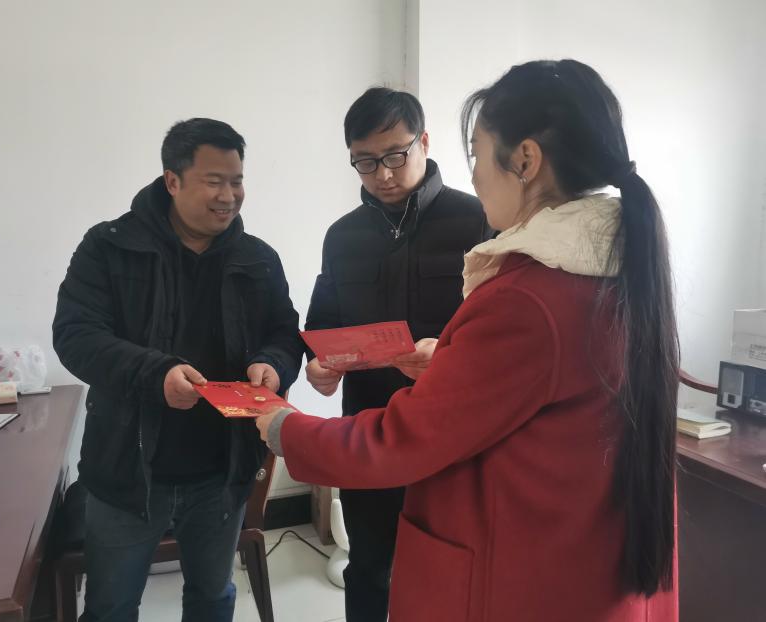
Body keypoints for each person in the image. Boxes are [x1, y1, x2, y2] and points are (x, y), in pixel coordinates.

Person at [258, 60, 679, 621]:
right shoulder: (617, 268)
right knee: (369, 567)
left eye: (477, 153)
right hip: (542, 520)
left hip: (470, 489)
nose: (476, 174)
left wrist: (284, 428)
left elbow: (423, 426)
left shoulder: (516, 275)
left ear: (524, 160)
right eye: (365, 161)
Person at [53, 118, 303, 621]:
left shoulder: (257, 259)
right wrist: (156, 374)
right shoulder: (108, 247)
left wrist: (272, 365)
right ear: (173, 180)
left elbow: (284, 333)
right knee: (110, 608)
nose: (229, 196)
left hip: (222, 473)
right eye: (214, 181)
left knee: (213, 598)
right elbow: (76, 337)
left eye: (236, 181)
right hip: (126, 472)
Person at [303, 87, 491, 621]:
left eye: (395, 155)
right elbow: (322, 323)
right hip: (368, 430)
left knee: (447, 572)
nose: (382, 174)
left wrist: (447, 355)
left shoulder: (477, 222)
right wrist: (318, 367)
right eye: (365, 161)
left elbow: (501, 332)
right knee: (368, 567)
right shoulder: (342, 236)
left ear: (424, 142)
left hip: (451, 437)